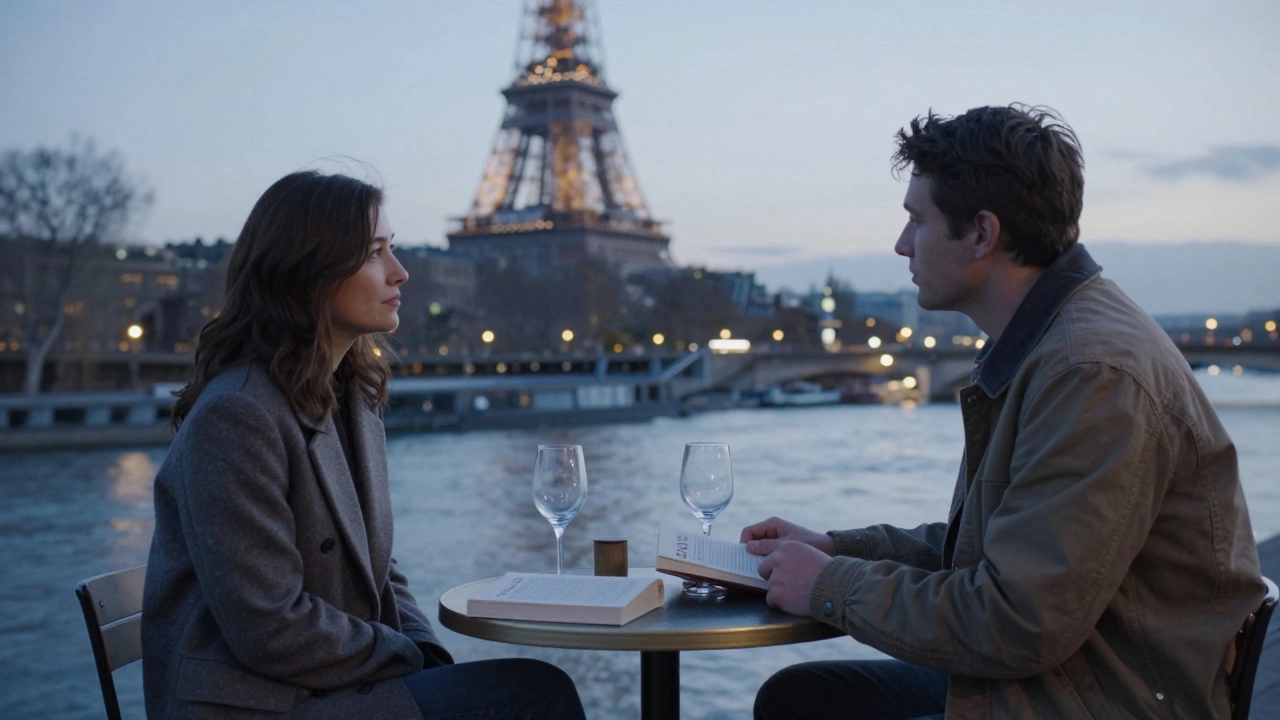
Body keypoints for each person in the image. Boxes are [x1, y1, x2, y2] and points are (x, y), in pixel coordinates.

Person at [742, 105, 1265, 719]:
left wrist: (829, 587)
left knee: (805, 705)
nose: (902, 243)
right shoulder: (1049, 342)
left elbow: (1019, 621)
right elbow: (1001, 550)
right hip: (1075, 675)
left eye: (918, 220)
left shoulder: (1089, 373)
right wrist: (837, 549)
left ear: (983, 235)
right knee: (802, 697)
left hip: (1103, 701)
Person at [142, 171, 586, 719]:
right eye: (375, 253)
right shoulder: (238, 415)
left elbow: (379, 572)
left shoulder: (352, 399)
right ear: (307, 272)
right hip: (259, 705)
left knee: (527, 690)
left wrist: (428, 654)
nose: (400, 272)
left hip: (329, 686)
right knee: (530, 695)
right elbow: (269, 628)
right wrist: (406, 657)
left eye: (391, 248)